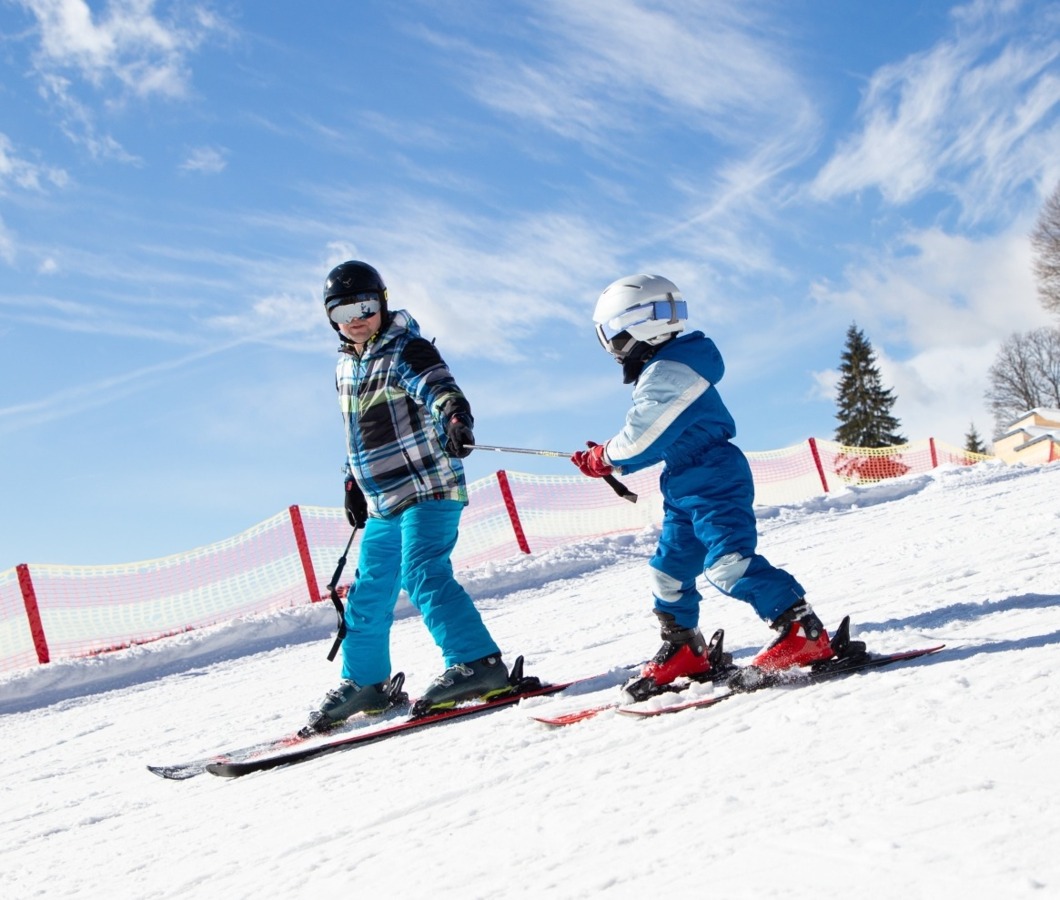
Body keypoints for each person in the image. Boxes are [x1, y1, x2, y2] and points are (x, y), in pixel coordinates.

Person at [571, 274, 835, 699]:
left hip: (713, 476)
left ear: (633, 327)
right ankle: (684, 648)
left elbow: (641, 436)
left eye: (613, 338)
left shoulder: (668, 373)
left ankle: (802, 630)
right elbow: (658, 438)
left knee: (726, 564)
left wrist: (605, 456)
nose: (614, 349)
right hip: (683, 478)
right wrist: (610, 461)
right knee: (668, 571)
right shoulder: (670, 368)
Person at [308, 260, 509, 730]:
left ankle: (478, 663)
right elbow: (356, 431)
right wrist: (351, 481)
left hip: (427, 487)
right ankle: (367, 683)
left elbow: (438, 387)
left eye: (364, 305)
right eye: (342, 311)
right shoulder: (344, 367)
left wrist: (456, 417)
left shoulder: (406, 348)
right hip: (382, 501)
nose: (355, 318)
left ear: (381, 301)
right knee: (367, 592)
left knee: (421, 571)